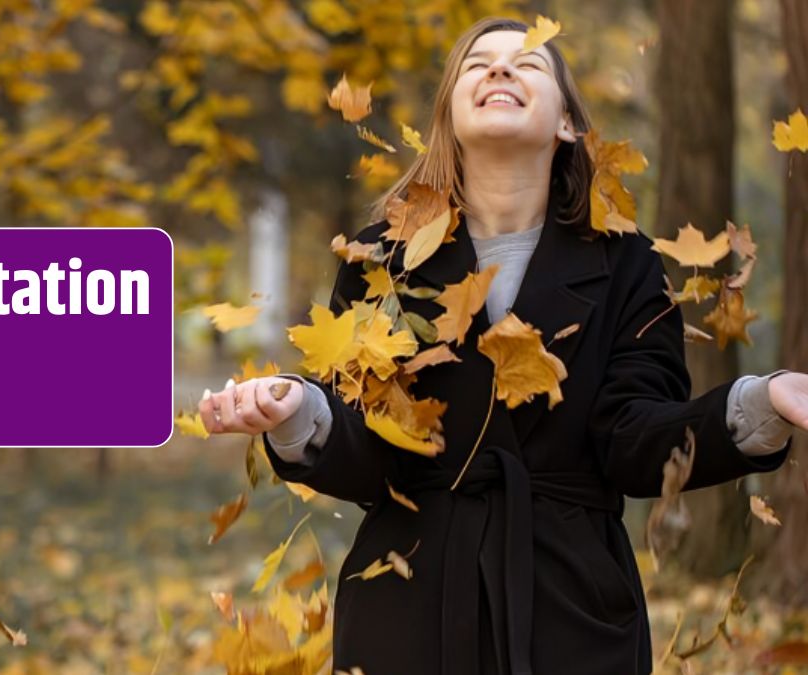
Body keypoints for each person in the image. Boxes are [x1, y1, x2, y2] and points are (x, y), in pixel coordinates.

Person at [197, 16, 808, 675]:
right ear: (449, 116)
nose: (500, 69)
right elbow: (365, 448)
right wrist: (297, 414)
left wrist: (761, 403)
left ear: (567, 123)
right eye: (478, 63)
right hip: (408, 605)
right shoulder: (382, 258)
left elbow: (639, 441)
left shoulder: (628, 263)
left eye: (528, 62)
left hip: (572, 608)